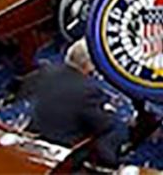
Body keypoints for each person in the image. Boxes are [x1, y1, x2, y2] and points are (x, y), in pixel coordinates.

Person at [24, 39, 123, 167]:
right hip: (62, 147)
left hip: (34, 132)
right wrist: (110, 112)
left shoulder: (47, 71)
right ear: (89, 64)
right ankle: (107, 164)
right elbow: (104, 125)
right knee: (116, 127)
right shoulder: (88, 90)